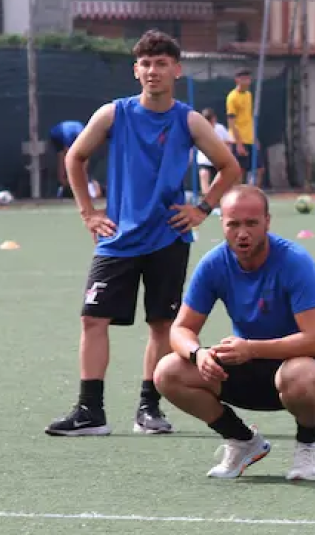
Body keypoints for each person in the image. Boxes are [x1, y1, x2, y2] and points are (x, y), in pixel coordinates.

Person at [44, 30, 241, 437]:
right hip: (118, 238)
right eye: (146, 64)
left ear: (176, 70)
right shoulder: (114, 114)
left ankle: (148, 409)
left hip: (168, 237)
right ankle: (90, 411)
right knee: (93, 319)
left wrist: (202, 208)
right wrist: (88, 213)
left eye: (162, 64)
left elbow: (230, 167)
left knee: (161, 325)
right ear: (136, 71)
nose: (153, 71)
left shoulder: (188, 119)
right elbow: (75, 157)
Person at [154, 185, 315, 481]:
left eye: (251, 223)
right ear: (223, 225)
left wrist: (252, 348)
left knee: (300, 376)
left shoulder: (295, 261)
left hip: (306, 368)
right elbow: (181, 329)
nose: (242, 233)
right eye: (234, 224)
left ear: (267, 221)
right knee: (168, 371)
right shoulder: (214, 264)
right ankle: (242, 441)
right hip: (248, 366)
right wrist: (198, 353)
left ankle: (308, 443)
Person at [227, 68, 264, 186]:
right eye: (244, 79)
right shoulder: (232, 97)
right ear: (237, 80)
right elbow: (231, 122)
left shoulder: (249, 95)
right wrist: (238, 144)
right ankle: (238, 199)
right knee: (239, 172)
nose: (247, 81)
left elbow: (249, 118)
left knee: (259, 170)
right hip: (239, 140)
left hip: (250, 139)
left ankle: (254, 197)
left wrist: (255, 138)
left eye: (248, 79)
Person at [196, 107, 233, 200]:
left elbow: (228, 142)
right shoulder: (198, 128)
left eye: (210, 120)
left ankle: (220, 201)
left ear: (214, 119)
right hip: (204, 161)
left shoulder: (220, 128)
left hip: (218, 161)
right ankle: (206, 201)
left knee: (221, 183)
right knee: (203, 175)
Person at [49, 120, 86, 198]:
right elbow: (68, 155)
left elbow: (86, 158)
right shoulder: (67, 135)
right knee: (63, 157)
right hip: (57, 134)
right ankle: (63, 183)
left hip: (72, 133)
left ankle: (70, 182)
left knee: (77, 159)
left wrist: (82, 173)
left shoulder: (84, 137)